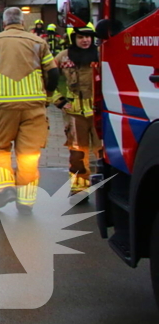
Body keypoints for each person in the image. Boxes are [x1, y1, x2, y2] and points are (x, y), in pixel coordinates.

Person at [0, 7, 59, 214]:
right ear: (23, 23)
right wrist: (48, 96)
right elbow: (54, 72)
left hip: (3, 106)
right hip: (34, 106)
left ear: (4, 23)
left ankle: (4, 187)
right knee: (29, 154)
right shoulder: (39, 42)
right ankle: (25, 203)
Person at [52, 23, 101, 200]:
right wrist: (59, 101)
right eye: (81, 37)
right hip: (74, 115)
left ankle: (107, 189)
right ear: (74, 38)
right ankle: (79, 190)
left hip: (99, 114)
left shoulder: (101, 55)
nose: (85, 40)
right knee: (77, 155)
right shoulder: (63, 57)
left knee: (104, 153)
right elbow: (45, 77)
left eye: (88, 36)